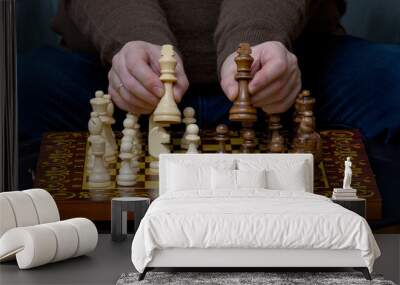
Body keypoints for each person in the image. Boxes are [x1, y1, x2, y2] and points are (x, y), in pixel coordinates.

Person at [18, 0, 400, 227]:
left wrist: (253, 40)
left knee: (390, 81)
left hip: (286, 61)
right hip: (114, 68)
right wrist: (130, 43)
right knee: (21, 90)